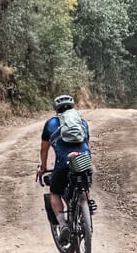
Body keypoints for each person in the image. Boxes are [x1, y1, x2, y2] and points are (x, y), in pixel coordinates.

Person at [38, 93, 95, 222]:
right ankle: (86, 204)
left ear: (56, 109)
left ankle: (63, 224)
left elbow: (44, 149)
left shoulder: (50, 123)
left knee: (55, 192)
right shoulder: (82, 122)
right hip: (83, 159)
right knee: (84, 184)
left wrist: (43, 167)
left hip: (64, 162)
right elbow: (86, 143)